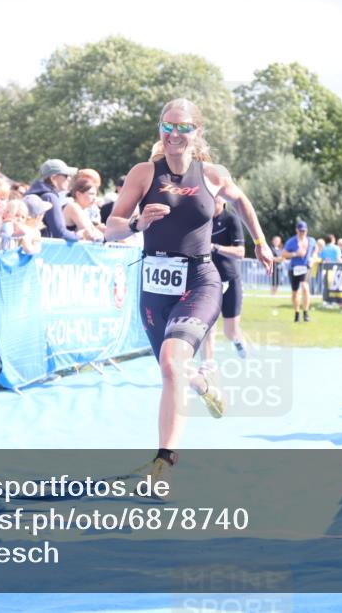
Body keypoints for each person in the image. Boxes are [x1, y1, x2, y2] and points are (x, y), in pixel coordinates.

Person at [104, 98, 272, 477]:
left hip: (200, 280)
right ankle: (203, 383)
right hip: (154, 286)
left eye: (183, 128)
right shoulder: (144, 174)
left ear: (197, 132)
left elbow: (242, 201)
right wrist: (136, 224)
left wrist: (260, 241)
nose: (175, 134)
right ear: (160, 129)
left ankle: (163, 462)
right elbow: (110, 228)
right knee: (174, 370)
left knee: (170, 363)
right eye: (168, 126)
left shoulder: (212, 174)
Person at [200, 196, 248, 368]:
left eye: (217, 202)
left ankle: (237, 340)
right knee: (207, 325)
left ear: (224, 203)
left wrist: (216, 248)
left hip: (230, 279)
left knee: (230, 330)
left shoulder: (232, 220)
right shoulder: (202, 220)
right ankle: (207, 365)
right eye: (210, 201)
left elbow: (241, 252)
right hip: (208, 281)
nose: (213, 205)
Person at [25, 159, 79, 242]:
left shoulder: (32, 195)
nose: (69, 178)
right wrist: (79, 236)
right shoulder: (50, 197)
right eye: (65, 175)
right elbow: (61, 233)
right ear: (53, 178)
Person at [282, 221, 314, 322]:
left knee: (305, 287)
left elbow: (316, 250)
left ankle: (306, 312)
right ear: (297, 230)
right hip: (294, 268)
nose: (302, 233)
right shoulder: (291, 242)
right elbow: (284, 254)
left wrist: (312, 258)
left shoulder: (311, 241)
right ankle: (297, 313)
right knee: (295, 292)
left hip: (305, 267)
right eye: (300, 231)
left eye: (304, 231)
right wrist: (295, 254)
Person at [63, 177, 105, 241]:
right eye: (91, 194)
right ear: (78, 194)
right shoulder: (73, 207)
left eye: (95, 195)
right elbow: (91, 235)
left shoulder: (83, 210)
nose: (94, 198)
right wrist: (99, 230)